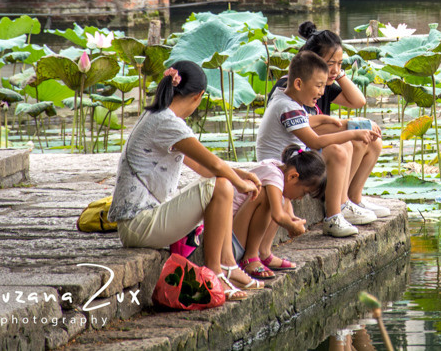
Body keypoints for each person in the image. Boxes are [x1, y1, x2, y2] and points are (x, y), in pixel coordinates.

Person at [108, 60, 264, 300]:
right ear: (198, 95)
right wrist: (240, 184)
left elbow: (201, 166)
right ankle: (215, 272)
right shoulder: (166, 122)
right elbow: (214, 166)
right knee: (221, 185)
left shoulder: (157, 116)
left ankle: (229, 267)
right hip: (138, 225)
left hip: (141, 221)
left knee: (221, 182)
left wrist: (240, 174)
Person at [269, 21, 388, 226]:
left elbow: (358, 101)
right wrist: (349, 124)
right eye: (330, 63)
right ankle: (339, 204)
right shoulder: (291, 86)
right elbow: (304, 124)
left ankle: (353, 198)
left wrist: (337, 73)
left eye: (340, 64)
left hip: (310, 147)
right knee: (352, 138)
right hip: (295, 154)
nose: (334, 70)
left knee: (372, 141)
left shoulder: (323, 83)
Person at [257, 51, 378, 238]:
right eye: (319, 86)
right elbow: (315, 141)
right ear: (298, 84)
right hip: (281, 167)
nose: (322, 92)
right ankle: (333, 216)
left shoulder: (285, 99)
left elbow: (305, 121)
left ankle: (343, 203)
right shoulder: (287, 107)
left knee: (343, 145)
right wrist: (353, 133)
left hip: (291, 159)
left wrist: (329, 120)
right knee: (337, 150)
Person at [232, 144, 326, 279]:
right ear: (293, 177)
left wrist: (291, 217)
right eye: (304, 193)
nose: (300, 199)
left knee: (280, 197)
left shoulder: (277, 169)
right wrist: (292, 226)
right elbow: (277, 215)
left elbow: (285, 202)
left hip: (236, 237)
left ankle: (264, 253)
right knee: (264, 195)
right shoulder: (273, 175)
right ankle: (250, 257)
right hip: (228, 242)